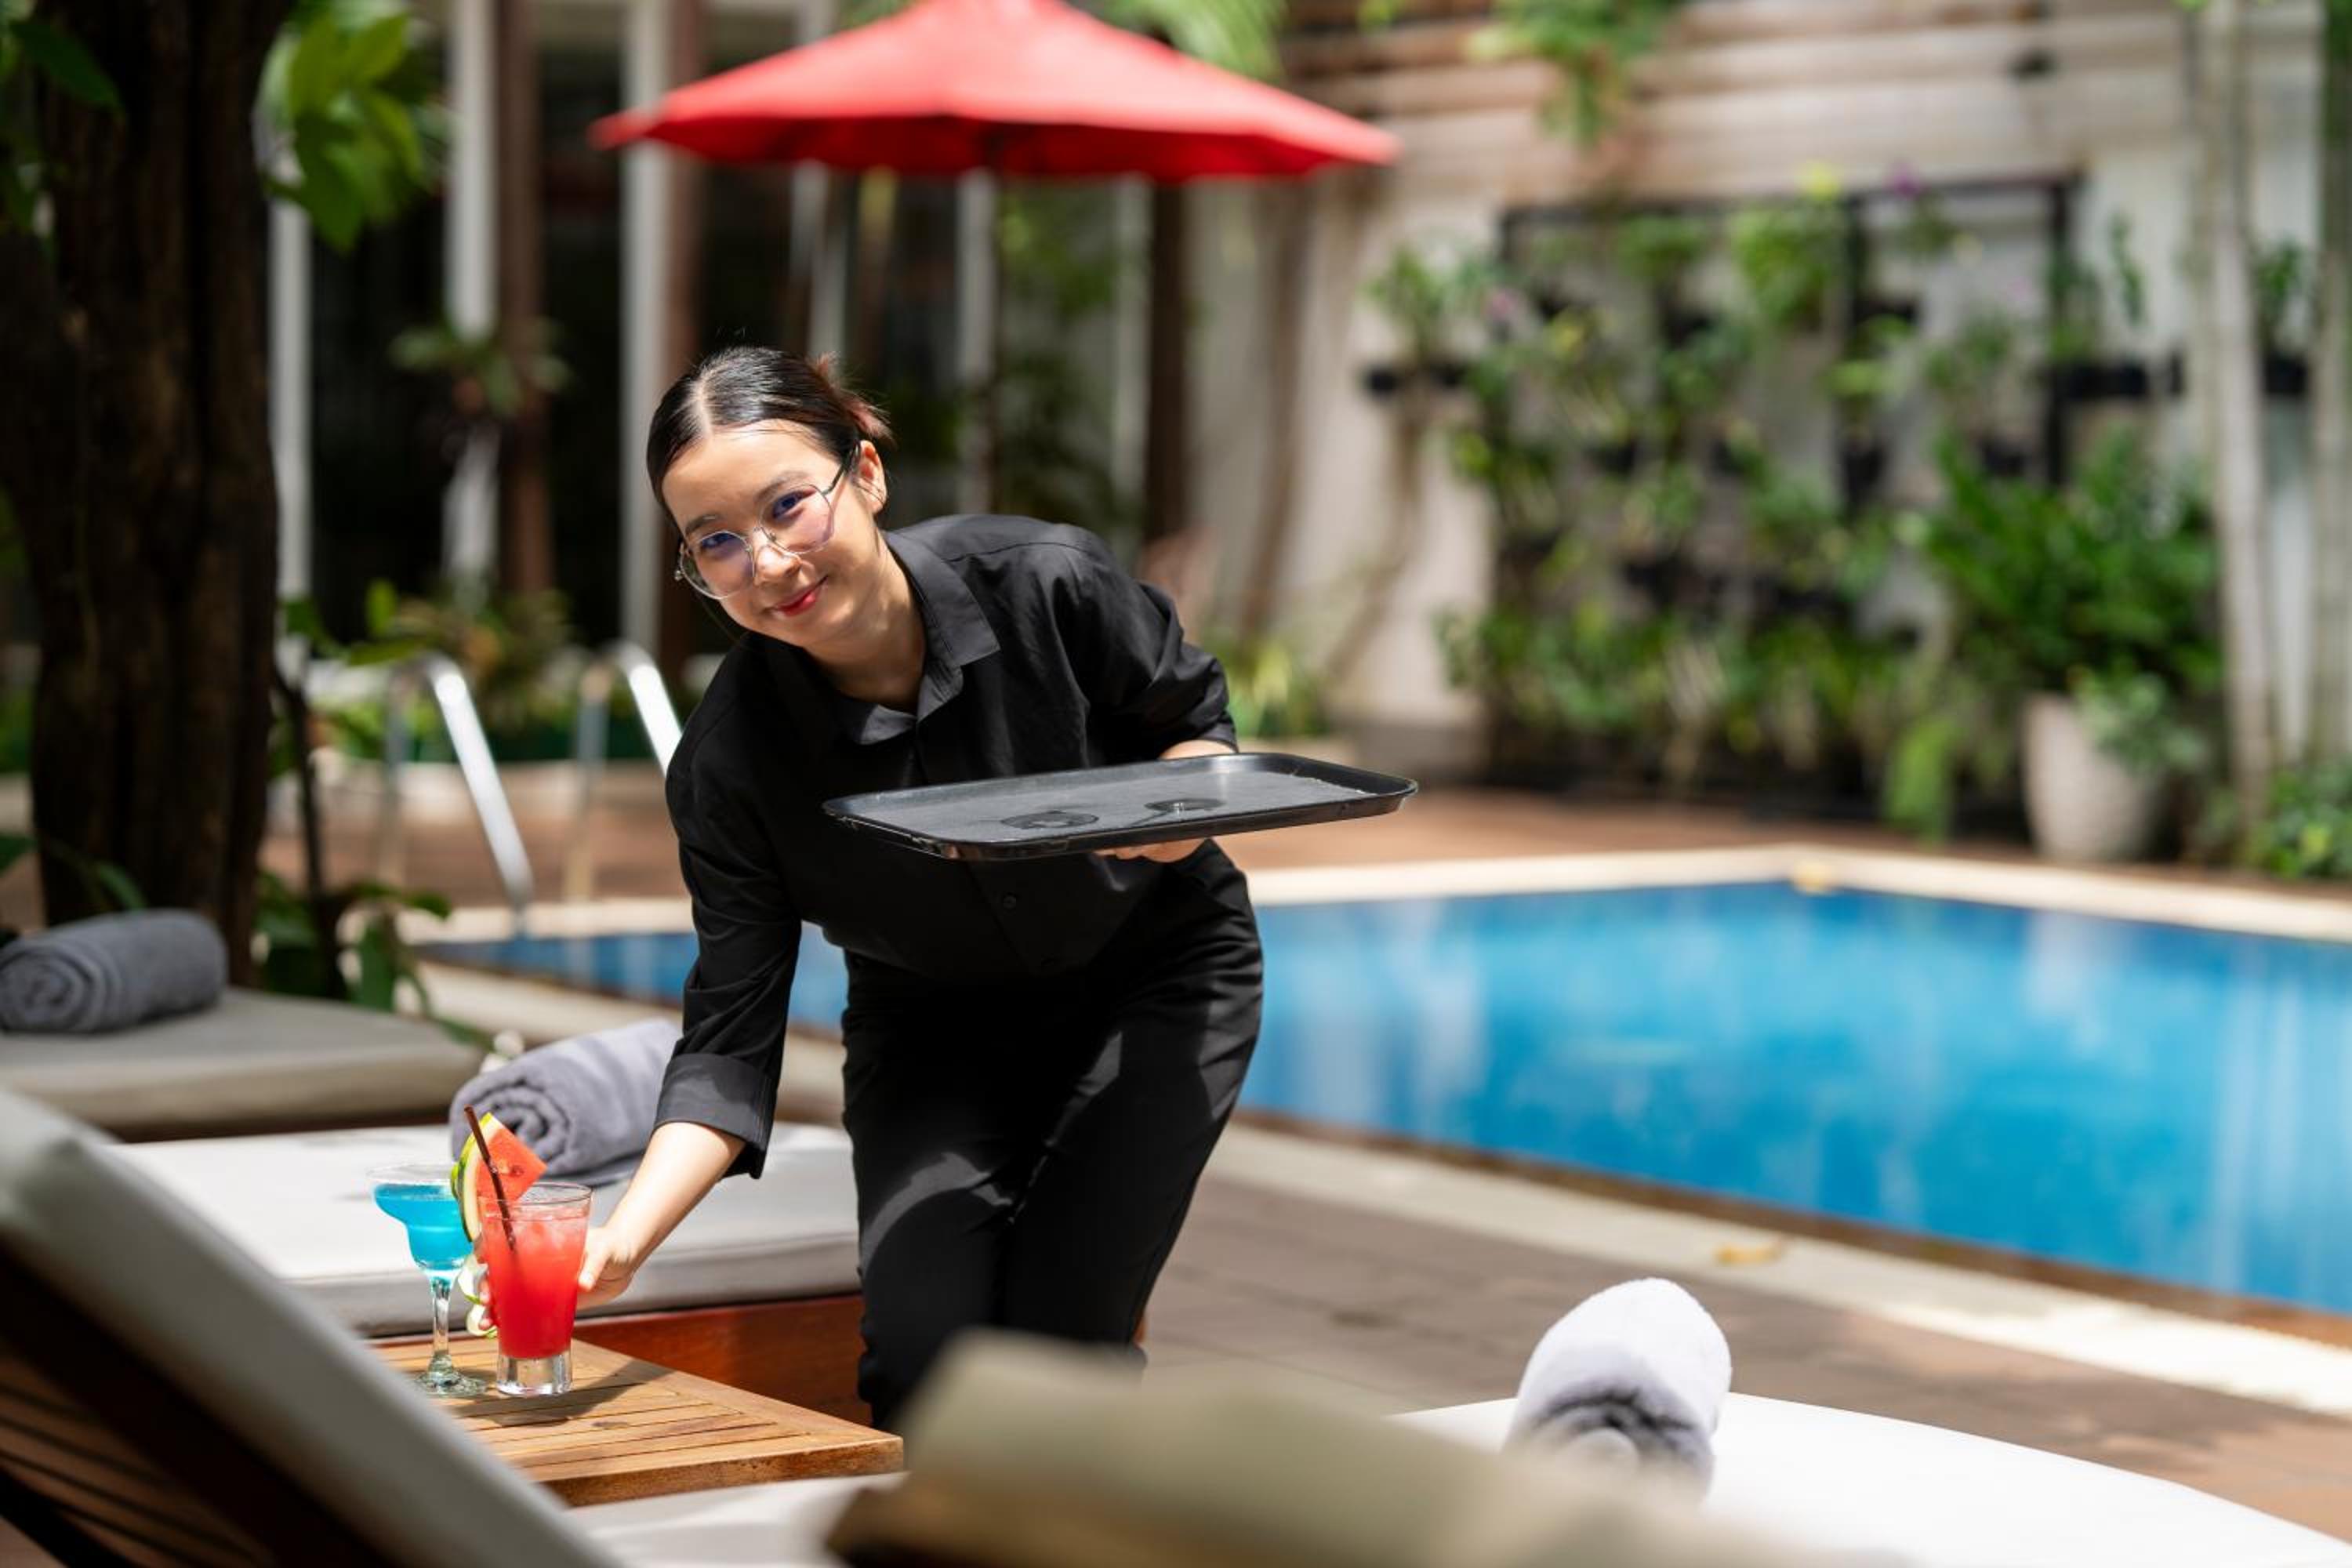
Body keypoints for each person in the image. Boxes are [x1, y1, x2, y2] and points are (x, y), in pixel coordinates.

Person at [571, 347, 1264, 1431]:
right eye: (717, 542)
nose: (767, 563)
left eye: (788, 507)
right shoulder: (731, 763)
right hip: (932, 1024)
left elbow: (1195, 727)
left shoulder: (1046, 581)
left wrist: (1178, 818)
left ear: (867, 473)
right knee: (920, 1357)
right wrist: (623, 1238)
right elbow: (730, 1040)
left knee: (1064, 1336)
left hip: (1155, 973)